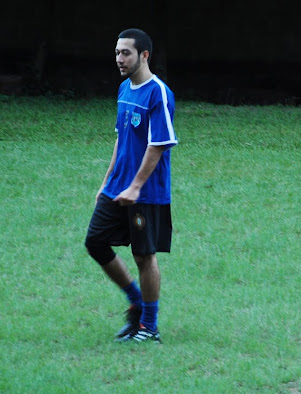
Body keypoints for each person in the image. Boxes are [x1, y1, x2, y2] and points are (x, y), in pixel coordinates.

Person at [84, 28, 178, 343]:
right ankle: (136, 301)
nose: (119, 59)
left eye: (126, 53)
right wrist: (106, 181)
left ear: (144, 55)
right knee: (95, 242)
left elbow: (159, 144)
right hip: (116, 189)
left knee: (143, 255)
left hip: (145, 194)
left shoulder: (158, 93)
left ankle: (149, 326)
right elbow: (121, 140)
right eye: (117, 53)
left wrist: (136, 187)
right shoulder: (125, 89)